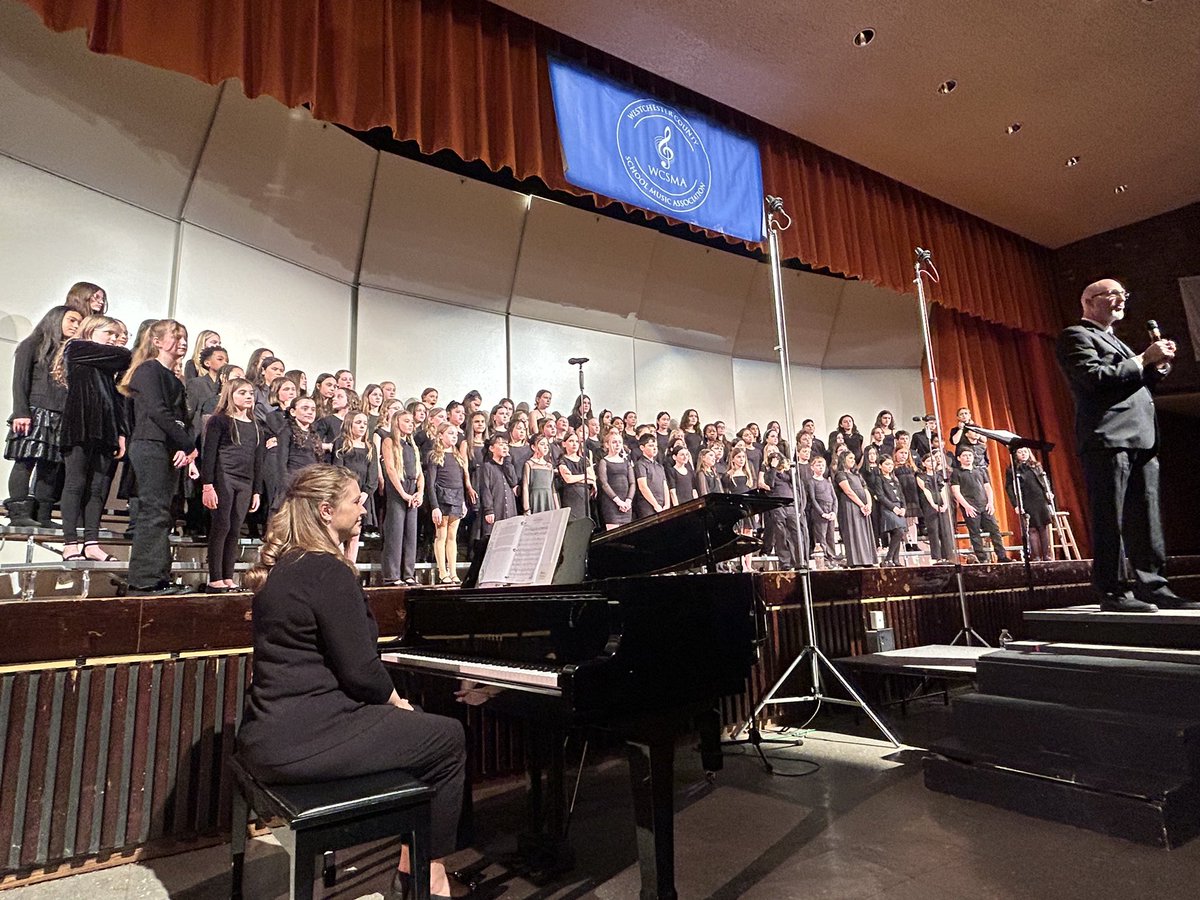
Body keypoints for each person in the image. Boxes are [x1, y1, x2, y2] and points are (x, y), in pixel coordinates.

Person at [235, 465, 469, 898]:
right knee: (447, 738)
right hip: (303, 740)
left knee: (417, 725)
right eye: (356, 501)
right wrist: (396, 702)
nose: (364, 509)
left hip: (268, 734)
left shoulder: (289, 565)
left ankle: (410, 855)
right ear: (326, 511)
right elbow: (361, 670)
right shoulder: (326, 570)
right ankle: (426, 874)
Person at [1056, 278, 1195, 611]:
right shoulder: (1076, 336)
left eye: (1124, 294)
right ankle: (1114, 591)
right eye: (1113, 294)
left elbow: (1132, 383)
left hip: (1142, 439)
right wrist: (1143, 358)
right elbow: (1094, 378)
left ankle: (1154, 586)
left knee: (1146, 516)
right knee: (1111, 518)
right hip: (1109, 438)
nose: (1121, 299)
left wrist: (1156, 368)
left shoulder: (1116, 341)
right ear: (1089, 301)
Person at [120, 320, 197, 595]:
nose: (183, 342)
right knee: (153, 512)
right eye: (176, 336)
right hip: (149, 444)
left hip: (166, 447)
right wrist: (187, 443)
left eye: (185, 337)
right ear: (157, 341)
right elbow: (157, 410)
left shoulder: (173, 378)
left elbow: (180, 417)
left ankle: (160, 577)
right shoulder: (148, 370)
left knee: (163, 513)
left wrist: (182, 447)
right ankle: (144, 580)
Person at [55, 314, 131, 561]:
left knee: (97, 488)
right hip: (80, 423)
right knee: (75, 483)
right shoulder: (76, 347)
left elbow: (116, 399)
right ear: (90, 330)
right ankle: (70, 543)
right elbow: (125, 356)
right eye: (108, 333)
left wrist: (121, 433)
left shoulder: (106, 362)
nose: (114, 339)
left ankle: (91, 543)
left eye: (116, 335)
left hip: (105, 427)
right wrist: (118, 352)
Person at [5, 305, 83, 527]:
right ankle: (19, 515)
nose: (76, 326)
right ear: (56, 319)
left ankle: (43, 515)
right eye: (72, 320)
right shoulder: (32, 344)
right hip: (35, 411)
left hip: (60, 415)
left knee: (51, 465)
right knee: (25, 461)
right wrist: (21, 412)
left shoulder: (70, 351)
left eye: (79, 322)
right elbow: (20, 381)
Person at [200, 378, 263, 592]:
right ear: (230, 395)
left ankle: (228, 576)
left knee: (235, 528)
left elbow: (258, 461)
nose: (248, 396)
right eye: (242, 392)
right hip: (224, 476)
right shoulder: (219, 421)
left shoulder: (256, 426)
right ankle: (215, 578)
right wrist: (208, 485)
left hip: (245, 481)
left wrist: (256, 491)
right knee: (222, 525)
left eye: (250, 393)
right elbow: (209, 455)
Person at [380, 409, 424, 586]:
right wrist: (403, 494)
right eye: (406, 421)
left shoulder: (412, 446)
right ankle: (392, 575)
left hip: (412, 489)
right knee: (395, 532)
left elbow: (419, 472)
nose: (410, 424)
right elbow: (390, 469)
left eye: (411, 422)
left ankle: (408, 573)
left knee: (410, 534)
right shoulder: (389, 441)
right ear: (397, 422)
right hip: (398, 488)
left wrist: (420, 492)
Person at [950, 447, 1010, 563]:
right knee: (975, 533)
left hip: (985, 505)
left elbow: (988, 487)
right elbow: (956, 491)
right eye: (964, 456)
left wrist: (990, 503)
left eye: (970, 455)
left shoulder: (980, 470)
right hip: (970, 507)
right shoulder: (957, 473)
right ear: (959, 458)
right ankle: (982, 559)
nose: (968, 458)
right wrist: (966, 506)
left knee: (995, 530)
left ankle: (1002, 556)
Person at [426, 422, 469, 584]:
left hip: (457, 497)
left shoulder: (458, 456)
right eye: (450, 433)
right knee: (441, 535)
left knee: (452, 537)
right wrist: (435, 507)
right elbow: (430, 484)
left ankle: (453, 572)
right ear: (440, 435)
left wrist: (463, 502)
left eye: (455, 434)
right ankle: (442, 572)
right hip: (442, 498)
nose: (454, 437)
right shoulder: (435, 455)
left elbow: (460, 481)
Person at [1005, 446, 1055, 562]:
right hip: (1026, 500)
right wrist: (1016, 504)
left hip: (1040, 499)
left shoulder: (1036, 466)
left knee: (1043, 527)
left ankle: (1046, 556)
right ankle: (1036, 557)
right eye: (1020, 452)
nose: (1023, 454)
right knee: (1032, 528)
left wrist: (1048, 492)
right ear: (1015, 455)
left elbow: (1044, 480)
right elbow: (1009, 488)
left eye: (1025, 451)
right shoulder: (1012, 470)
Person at [833, 451, 876, 567]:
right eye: (850, 458)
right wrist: (862, 505)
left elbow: (866, 490)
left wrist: (869, 505)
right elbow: (848, 491)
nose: (853, 460)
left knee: (864, 533)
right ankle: (856, 561)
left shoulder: (857, 475)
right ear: (843, 460)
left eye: (853, 458)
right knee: (854, 532)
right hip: (850, 505)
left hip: (863, 507)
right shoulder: (840, 474)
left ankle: (867, 560)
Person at [476, 433, 519, 540]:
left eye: (506, 445)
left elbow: (513, 482)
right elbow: (485, 489)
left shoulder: (507, 465)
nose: (504, 447)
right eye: (500, 444)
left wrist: (507, 462)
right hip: (496, 508)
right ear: (491, 448)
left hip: (509, 508)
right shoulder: (487, 466)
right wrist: (488, 510)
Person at [917, 452, 956, 563]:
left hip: (942, 503)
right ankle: (936, 557)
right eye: (928, 461)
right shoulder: (920, 476)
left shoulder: (939, 475)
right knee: (933, 530)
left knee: (945, 529)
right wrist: (933, 504)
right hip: (930, 504)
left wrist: (945, 504)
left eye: (933, 461)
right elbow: (926, 490)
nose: (931, 463)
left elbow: (942, 489)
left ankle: (948, 556)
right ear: (923, 463)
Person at [874, 455, 907, 566]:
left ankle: (895, 559)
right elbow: (880, 496)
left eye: (891, 464)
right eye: (887, 464)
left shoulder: (895, 479)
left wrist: (903, 508)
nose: (889, 466)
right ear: (880, 465)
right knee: (899, 531)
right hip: (888, 508)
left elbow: (902, 495)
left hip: (899, 507)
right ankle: (888, 558)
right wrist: (893, 508)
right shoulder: (879, 479)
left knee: (898, 532)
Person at [597, 429, 634, 529]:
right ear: (607, 444)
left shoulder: (626, 462)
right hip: (611, 503)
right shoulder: (604, 462)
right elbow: (604, 483)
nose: (617, 445)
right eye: (614, 442)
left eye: (619, 442)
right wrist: (618, 501)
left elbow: (632, 483)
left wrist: (628, 500)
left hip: (626, 503)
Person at [634, 432, 669, 518]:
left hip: (662, 505)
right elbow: (643, 487)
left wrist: (667, 504)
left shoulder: (659, 466)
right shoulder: (640, 464)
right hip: (647, 506)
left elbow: (665, 486)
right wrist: (655, 505)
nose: (654, 448)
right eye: (650, 446)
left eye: (656, 446)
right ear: (642, 447)